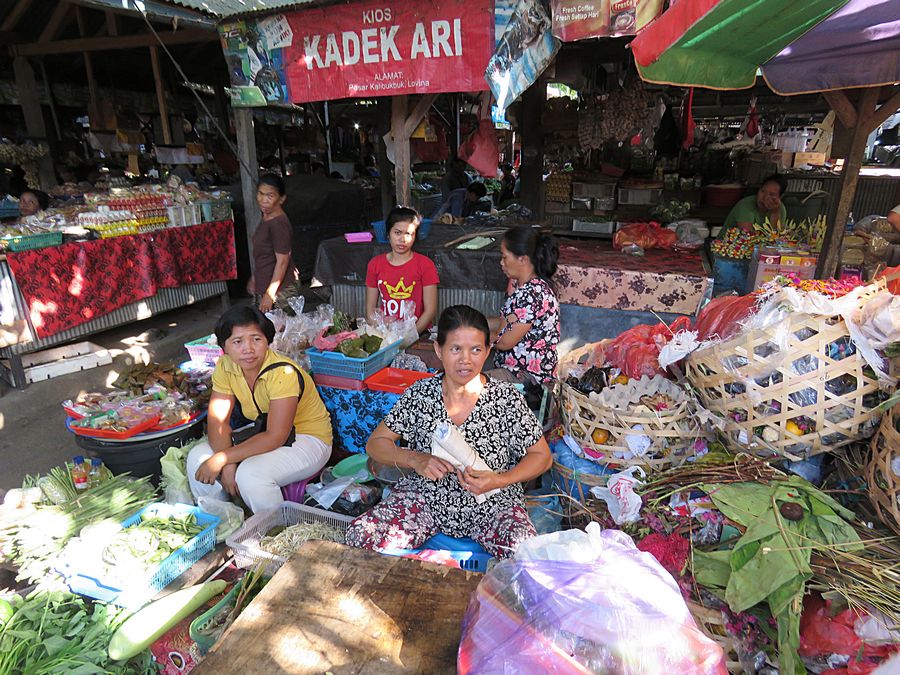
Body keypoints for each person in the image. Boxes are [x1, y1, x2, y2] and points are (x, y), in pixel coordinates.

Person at [345, 305, 552, 559]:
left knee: (527, 557)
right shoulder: (421, 393)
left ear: (487, 351)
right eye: (455, 349)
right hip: (426, 500)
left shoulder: (506, 398)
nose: (466, 359)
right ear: (439, 350)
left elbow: (542, 456)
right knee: (360, 535)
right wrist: (415, 458)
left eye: (476, 349)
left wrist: (500, 479)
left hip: (493, 505)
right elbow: (376, 443)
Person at [186, 305, 332, 514]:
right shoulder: (226, 366)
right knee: (197, 458)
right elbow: (218, 421)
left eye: (256, 339)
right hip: (262, 432)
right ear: (224, 347)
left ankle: (278, 533)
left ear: (268, 341)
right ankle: (223, 521)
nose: (248, 349)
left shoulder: (283, 373)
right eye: (237, 341)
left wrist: (224, 458)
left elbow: (276, 436)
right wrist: (227, 463)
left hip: (308, 438)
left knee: (251, 474)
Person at [488, 226, 561, 385]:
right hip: (515, 368)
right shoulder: (529, 288)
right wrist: (472, 322)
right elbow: (506, 322)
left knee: (466, 385)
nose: (501, 263)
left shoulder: (531, 294)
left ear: (522, 259)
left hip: (527, 377)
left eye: (505, 257)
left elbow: (504, 342)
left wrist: (470, 336)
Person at [365, 207, 439, 334]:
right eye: (397, 232)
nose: (402, 239)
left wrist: (410, 336)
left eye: (409, 234)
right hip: (386, 333)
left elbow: (430, 310)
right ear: (388, 234)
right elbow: (370, 310)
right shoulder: (375, 264)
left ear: (415, 236)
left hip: (418, 333)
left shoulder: (426, 265)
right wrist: (384, 334)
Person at [247, 173, 297, 312]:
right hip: (266, 283)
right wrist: (255, 277)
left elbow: (282, 261)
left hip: (280, 290)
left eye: (270, 196)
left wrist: (270, 294)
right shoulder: (267, 218)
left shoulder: (278, 223)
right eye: (261, 194)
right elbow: (264, 254)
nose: (264, 200)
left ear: (281, 199)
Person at [718, 174, 788, 239]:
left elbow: (776, 239)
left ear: (780, 197)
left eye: (772, 194)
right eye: (763, 191)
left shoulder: (780, 209)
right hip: (726, 248)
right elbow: (748, 238)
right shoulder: (745, 205)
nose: (764, 198)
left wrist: (775, 213)